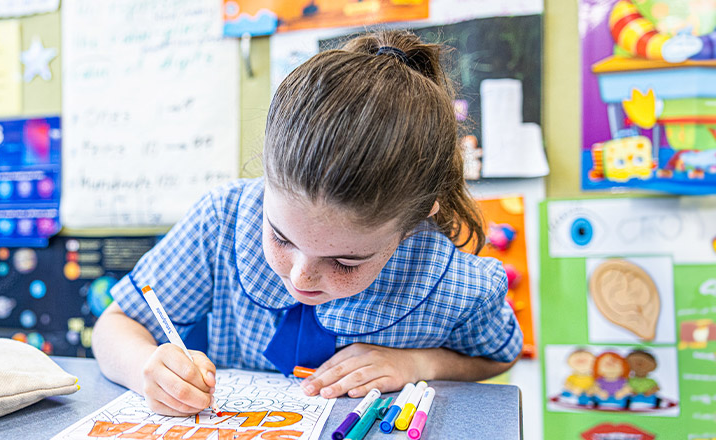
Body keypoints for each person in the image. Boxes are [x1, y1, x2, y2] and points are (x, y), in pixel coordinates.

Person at [92, 30, 523, 417]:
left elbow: (499, 354)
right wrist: (145, 368)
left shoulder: (453, 282)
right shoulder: (222, 222)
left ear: (413, 221)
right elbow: (115, 325)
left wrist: (418, 363)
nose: (301, 277)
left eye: (345, 261)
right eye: (281, 237)